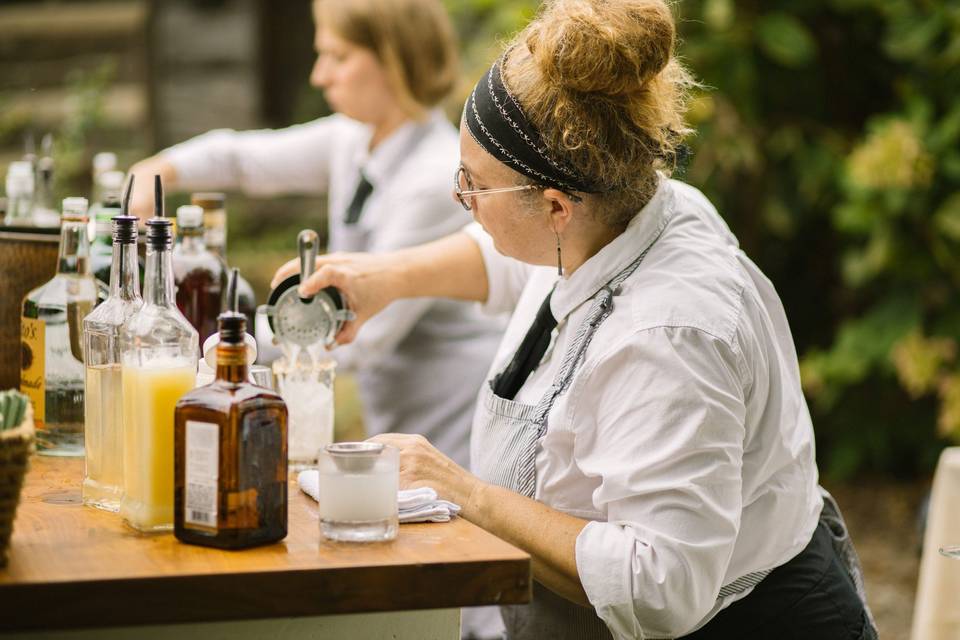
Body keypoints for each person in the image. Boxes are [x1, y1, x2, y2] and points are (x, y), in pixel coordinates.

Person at [273, 1, 881, 638]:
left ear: (557, 205)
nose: (462, 199)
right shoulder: (628, 211)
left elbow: (661, 586)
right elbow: (514, 255)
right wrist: (387, 279)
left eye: (473, 185)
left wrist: (463, 490)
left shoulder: (671, 338)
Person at [127, 0, 504, 471]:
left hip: (450, 434)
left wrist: (218, 342)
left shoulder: (434, 177)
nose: (319, 76)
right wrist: (156, 169)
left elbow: (360, 336)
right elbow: (244, 158)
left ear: (394, 58)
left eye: (338, 57)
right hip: (396, 418)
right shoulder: (355, 137)